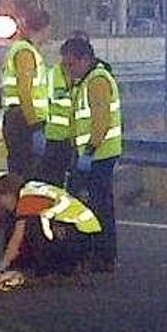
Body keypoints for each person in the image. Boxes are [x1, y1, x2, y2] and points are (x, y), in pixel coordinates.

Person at [60, 37, 122, 273]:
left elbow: (101, 121)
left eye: (71, 64)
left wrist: (89, 152)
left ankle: (103, 256)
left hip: (99, 155)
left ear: (85, 59)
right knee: (93, 205)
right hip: (92, 154)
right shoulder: (87, 80)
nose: (69, 69)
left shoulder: (96, 81)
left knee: (99, 207)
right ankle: (96, 254)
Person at [0, 173, 102, 285]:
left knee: (32, 225)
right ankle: (56, 266)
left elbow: (17, 237)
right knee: (32, 223)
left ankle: (51, 269)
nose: (1, 205)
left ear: (8, 194)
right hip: (85, 230)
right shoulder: (32, 189)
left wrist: (1, 266)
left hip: (78, 233)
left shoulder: (27, 199)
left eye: (0, 199)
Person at [1, 8, 50, 178]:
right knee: (27, 172)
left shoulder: (22, 50)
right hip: (24, 120)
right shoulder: (25, 52)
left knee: (21, 169)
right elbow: (25, 91)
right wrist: (35, 125)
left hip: (19, 118)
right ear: (44, 28)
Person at [38, 60, 73, 187]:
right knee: (53, 180)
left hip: (73, 139)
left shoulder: (81, 77)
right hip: (54, 139)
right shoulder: (52, 75)